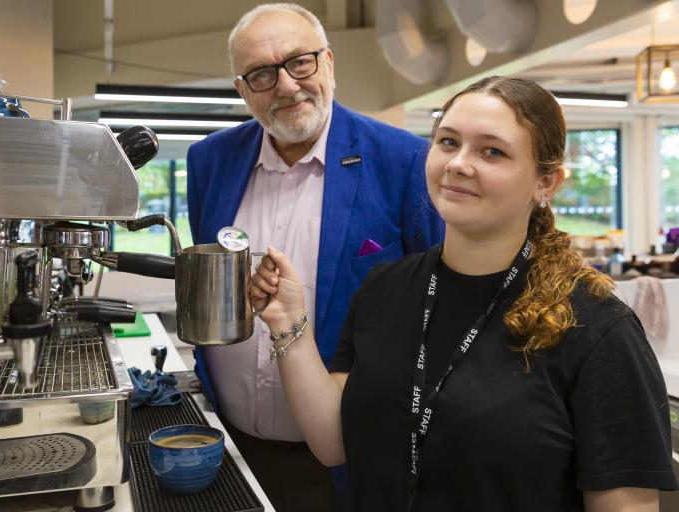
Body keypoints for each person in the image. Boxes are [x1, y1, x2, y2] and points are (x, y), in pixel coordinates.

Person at [251, 76, 679, 511]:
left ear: (545, 183)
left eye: (492, 151)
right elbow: (333, 443)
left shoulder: (597, 326)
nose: (458, 163)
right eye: (448, 142)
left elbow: (627, 506)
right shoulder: (384, 288)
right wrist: (289, 326)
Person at [186, 3, 442, 510]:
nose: (285, 86)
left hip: (352, 460)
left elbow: (438, 306)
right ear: (242, 90)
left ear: (328, 61)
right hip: (230, 445)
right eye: (261, 74)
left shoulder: (404, 160)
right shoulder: (209, 160)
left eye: (299, 62)